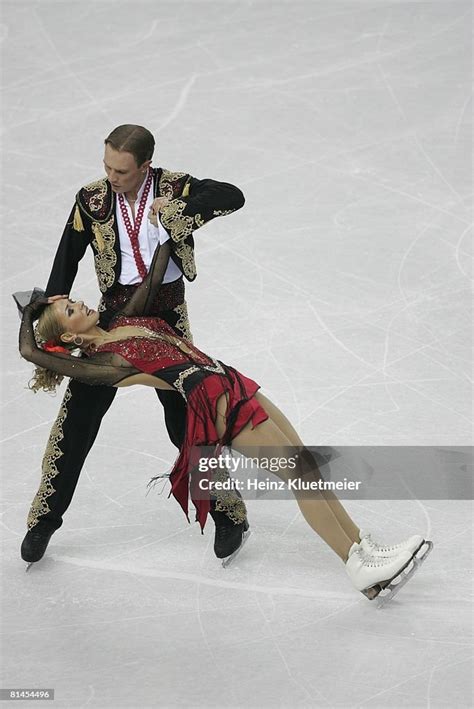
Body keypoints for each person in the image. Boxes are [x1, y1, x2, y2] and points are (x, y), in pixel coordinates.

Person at [16, 240, 433, 602]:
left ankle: (361, 546)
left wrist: (168, 231)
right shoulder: (105, 364)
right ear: (68, 337)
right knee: (299, 475)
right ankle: (355, 565)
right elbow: (33, 353)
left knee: (306, 463)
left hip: (231, 382)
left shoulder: (122, 319)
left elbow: (155, 274)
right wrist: (29, 316)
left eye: (73, 300)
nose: (82, 303)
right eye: (71, 309)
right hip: (217, 408)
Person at [21, 124, 248, 565]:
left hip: (167, 319)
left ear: (145, 166)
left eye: (121, 170)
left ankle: (228, 513)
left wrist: (179, 208)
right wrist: (51, 313)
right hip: (113, 317)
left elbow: (231, 194)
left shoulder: (173, 185)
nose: (111, 176)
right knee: (77, 419)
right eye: (106, 165)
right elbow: (67, 254)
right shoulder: (92, 199)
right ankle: (43, 520)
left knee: (185, 421)